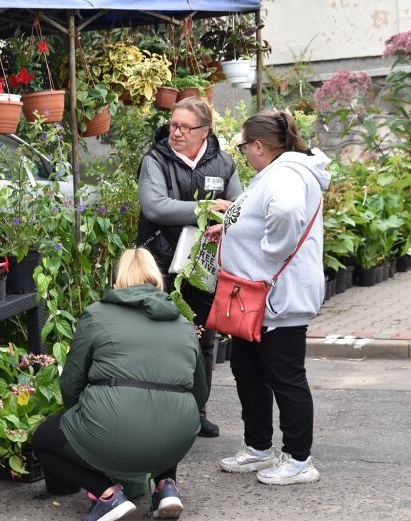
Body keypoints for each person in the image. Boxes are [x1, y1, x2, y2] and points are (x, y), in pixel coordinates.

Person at [32, 248, 207, 521]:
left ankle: (107, 495)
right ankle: (165, 486)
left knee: (43, 439)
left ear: (118, 281)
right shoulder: (184, 324)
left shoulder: (97, 315)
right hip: (177, 437)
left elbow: (72, 381)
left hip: (113, 427)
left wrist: (85, 417)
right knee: (167, 401)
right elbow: (200, 392)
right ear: (157, 279)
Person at [204, 110, 330, 485]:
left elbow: (286, 212)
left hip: (277, 299)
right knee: (249, 373)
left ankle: (299, 460)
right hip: (254, 300)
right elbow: (259, 213)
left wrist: (269, 249)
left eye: (243, 146)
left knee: (285, 378)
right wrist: (230, 227)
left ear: (259, 146)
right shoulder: (276, 173)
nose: (243, 153)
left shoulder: (288, 174)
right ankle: (258, 447)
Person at [137, 96, 242, 438]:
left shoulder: (224, 164)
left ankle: (197, 410)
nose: (176, 132)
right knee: (161, 338)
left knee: (202, 340)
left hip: (204, 265)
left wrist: (226, 215)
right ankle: (161, 412)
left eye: (184, 126)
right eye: (173, 124)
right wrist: (207, 207)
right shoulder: (155, 160)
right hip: (160, 263)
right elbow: (155, 207)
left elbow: (238, 207)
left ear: (205, 131)